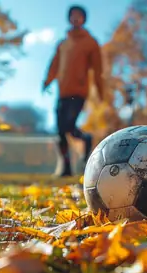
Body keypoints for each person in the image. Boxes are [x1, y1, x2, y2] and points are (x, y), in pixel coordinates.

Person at [43, 5, 104, 177]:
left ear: (84, 19)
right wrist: (47, 81)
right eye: (73, 16)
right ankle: (66, 167)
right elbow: (54, 65)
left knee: (69, 126)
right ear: (69, 19)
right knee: (60, 132)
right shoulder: (63, 44)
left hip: (78, 92)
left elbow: (98, 70)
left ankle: (86, 140)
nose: (76, 18)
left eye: (79, 16)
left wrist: (101, 92)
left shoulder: (91, 43)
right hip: (62, 92)